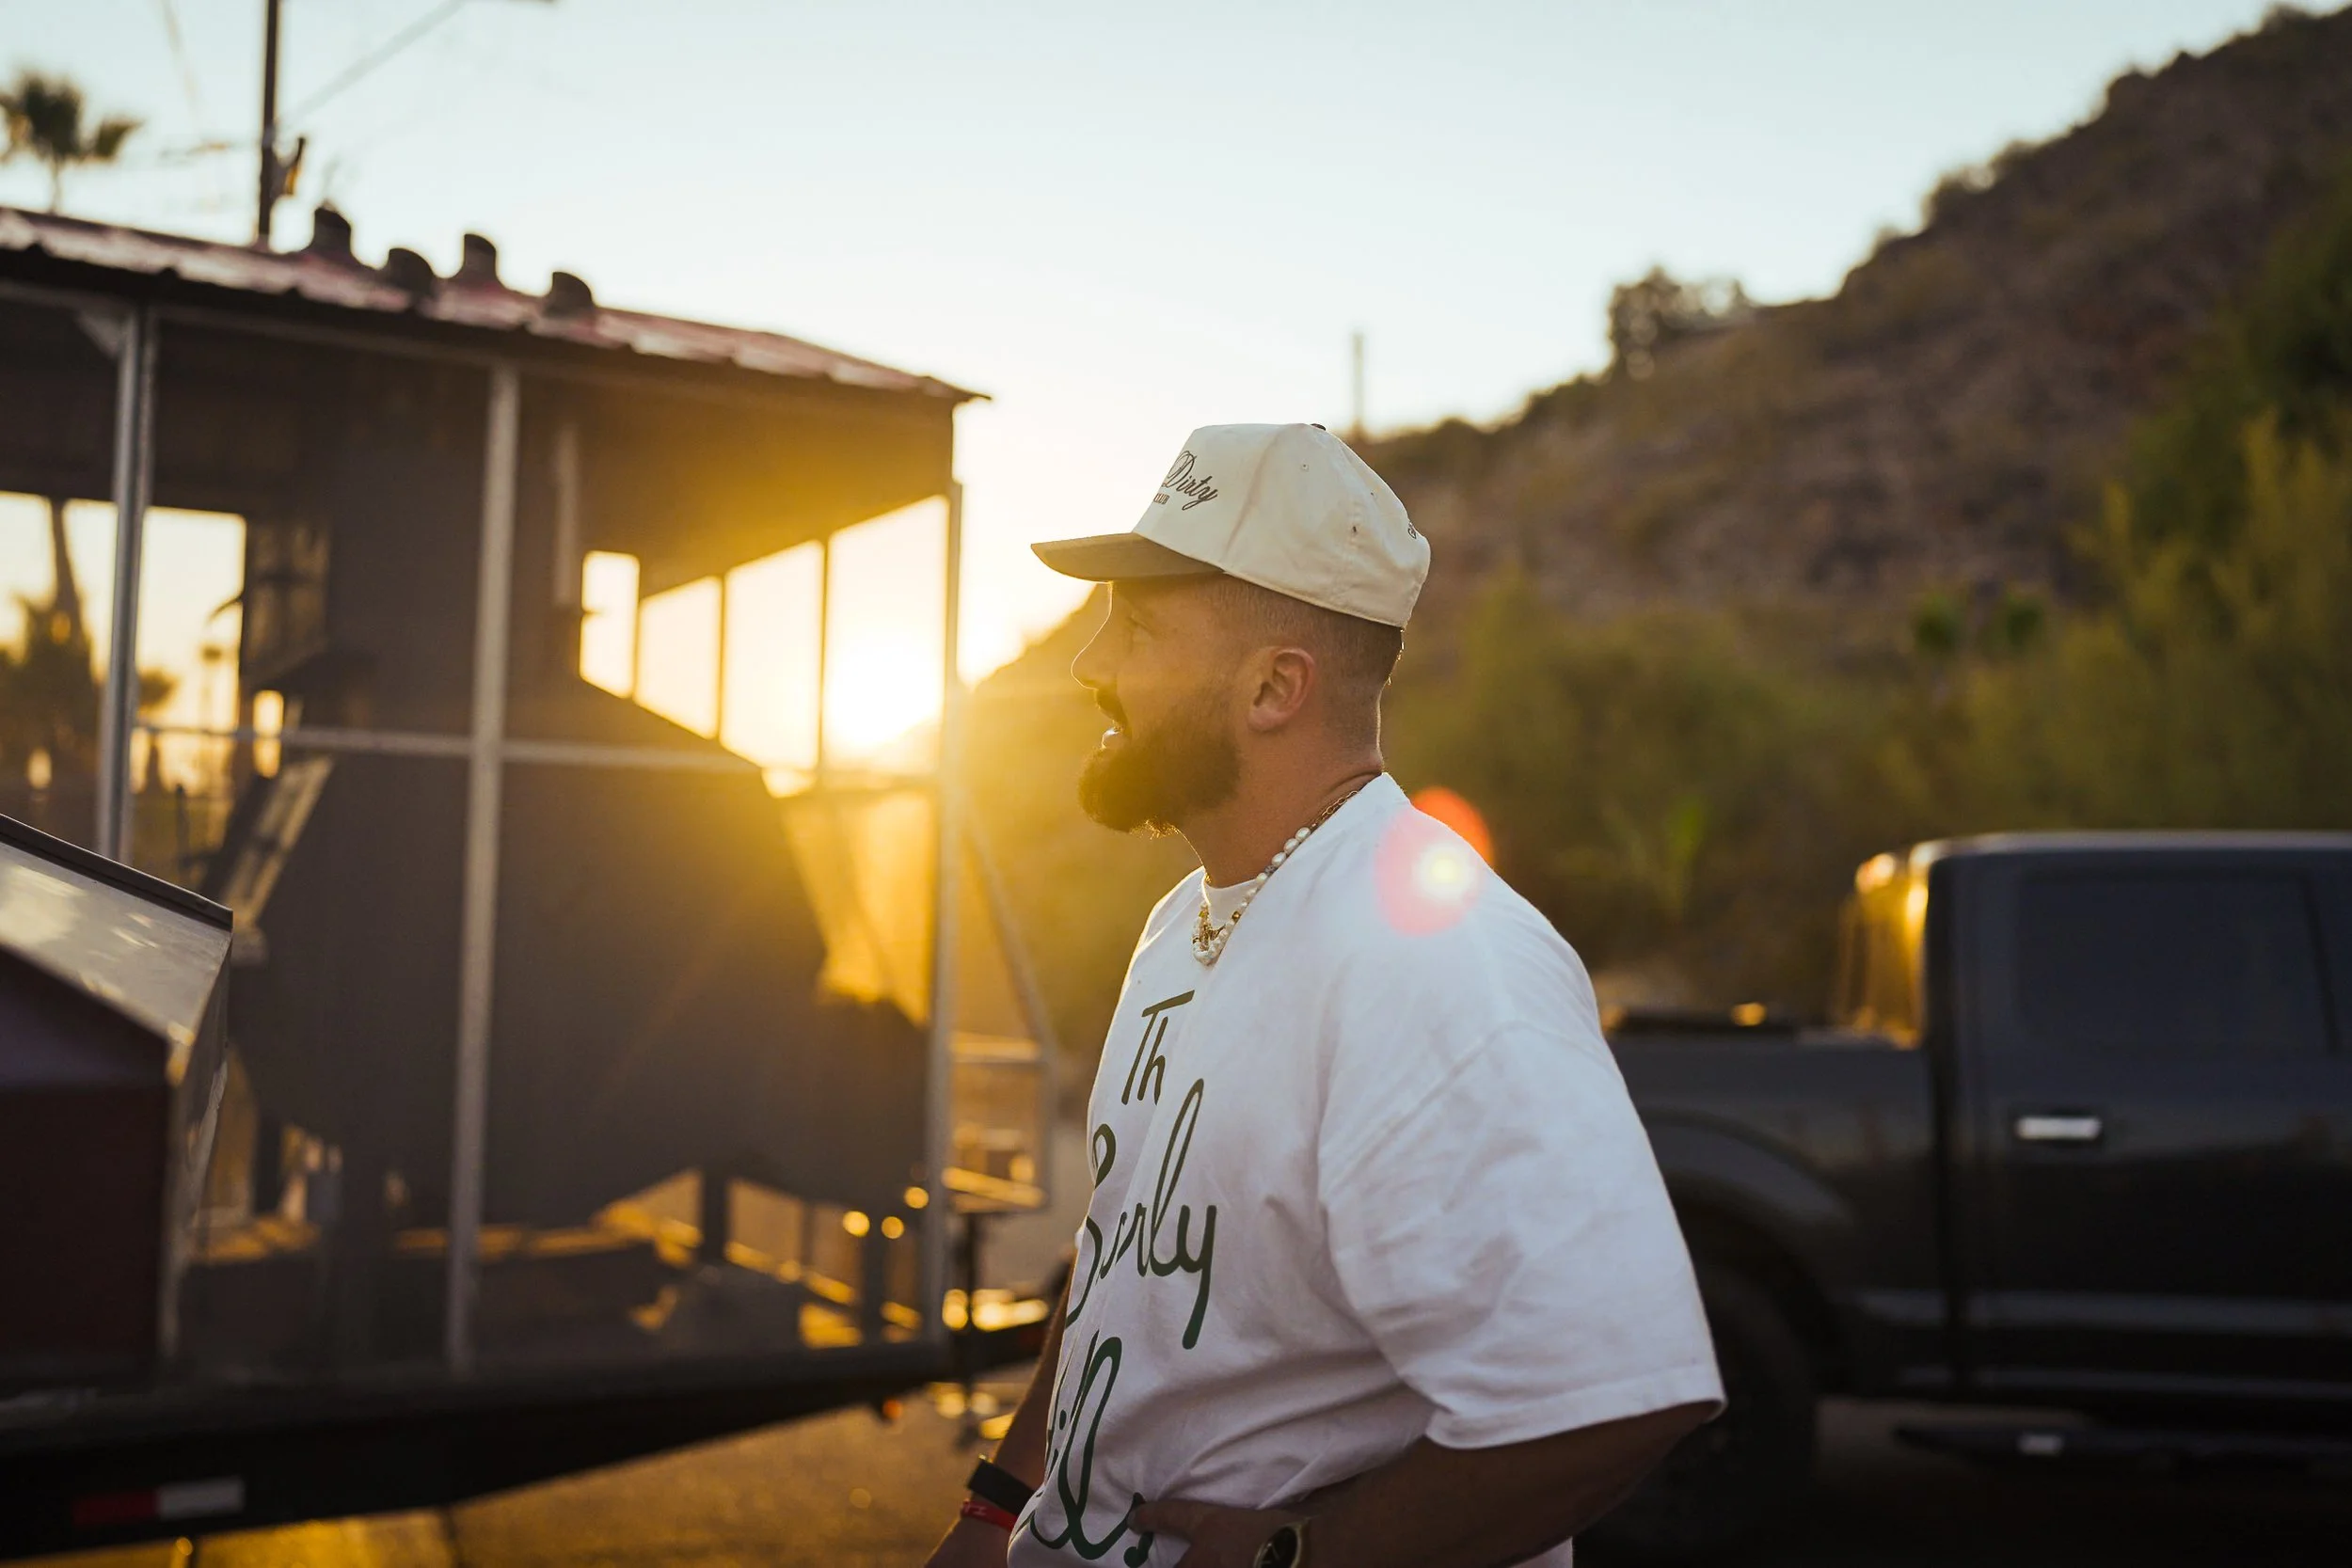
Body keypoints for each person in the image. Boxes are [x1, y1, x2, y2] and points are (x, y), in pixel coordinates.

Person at [927, 423, 1722, 1568]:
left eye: (1137, 622)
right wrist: (996, 1503)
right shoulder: (1180, 924)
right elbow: (1120, 1257)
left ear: (1272, 687)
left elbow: (1612, 1389)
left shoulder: (1435, 957)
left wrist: (1301, 1555)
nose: (1087, 660)